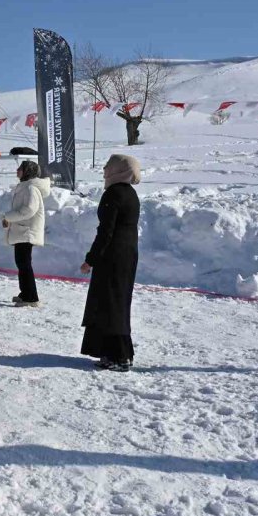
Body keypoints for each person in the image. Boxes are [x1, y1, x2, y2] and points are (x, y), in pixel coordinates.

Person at [79, 154, 142, 372]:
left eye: (108, 166)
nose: (105, 169)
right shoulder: (130, 193)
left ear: (118, 169)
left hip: (112, 256)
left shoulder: (113, 193)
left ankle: (120, 356)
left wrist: (91, 259)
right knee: (116, 303)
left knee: (111, 304)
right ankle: (116, 353)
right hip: (126, 254)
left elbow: (105, 231)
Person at [2, 160, 51, 307]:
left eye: (20, 168)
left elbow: (29, 210)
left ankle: (31, 298)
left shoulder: (30, 188)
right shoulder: (25, 187)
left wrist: (8, 217)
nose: (17, 170)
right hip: (21, 230)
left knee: (24, 264)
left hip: (26, 231)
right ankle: (25, 293)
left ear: (27, 171)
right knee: (21, 263)